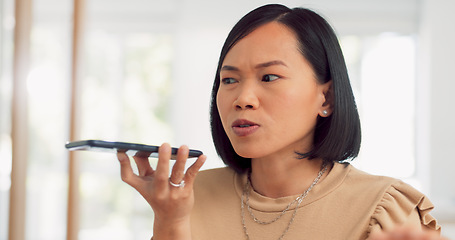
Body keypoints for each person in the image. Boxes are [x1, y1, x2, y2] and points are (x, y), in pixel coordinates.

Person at [117, 4, 443, 240]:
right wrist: (170, 221)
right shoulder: (188, 196)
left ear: (326, 98)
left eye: (269, 77)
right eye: (229, 80)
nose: (242, 98)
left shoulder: (383, 208)